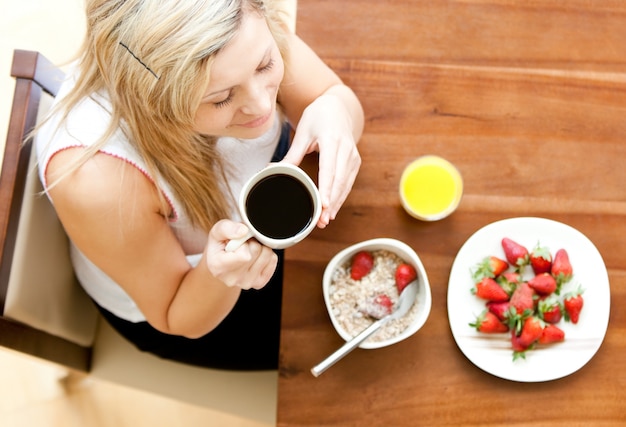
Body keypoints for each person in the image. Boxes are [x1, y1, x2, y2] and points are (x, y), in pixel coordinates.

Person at [35, 0, 363, 370]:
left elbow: (335, 98)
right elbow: (177, 316)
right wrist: (218, 274)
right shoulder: (98, 178)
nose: (261, 106)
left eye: (266, 65)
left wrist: (337, 112)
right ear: (152, 101)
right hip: (197, 296)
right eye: (221, 98)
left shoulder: (238, 32)